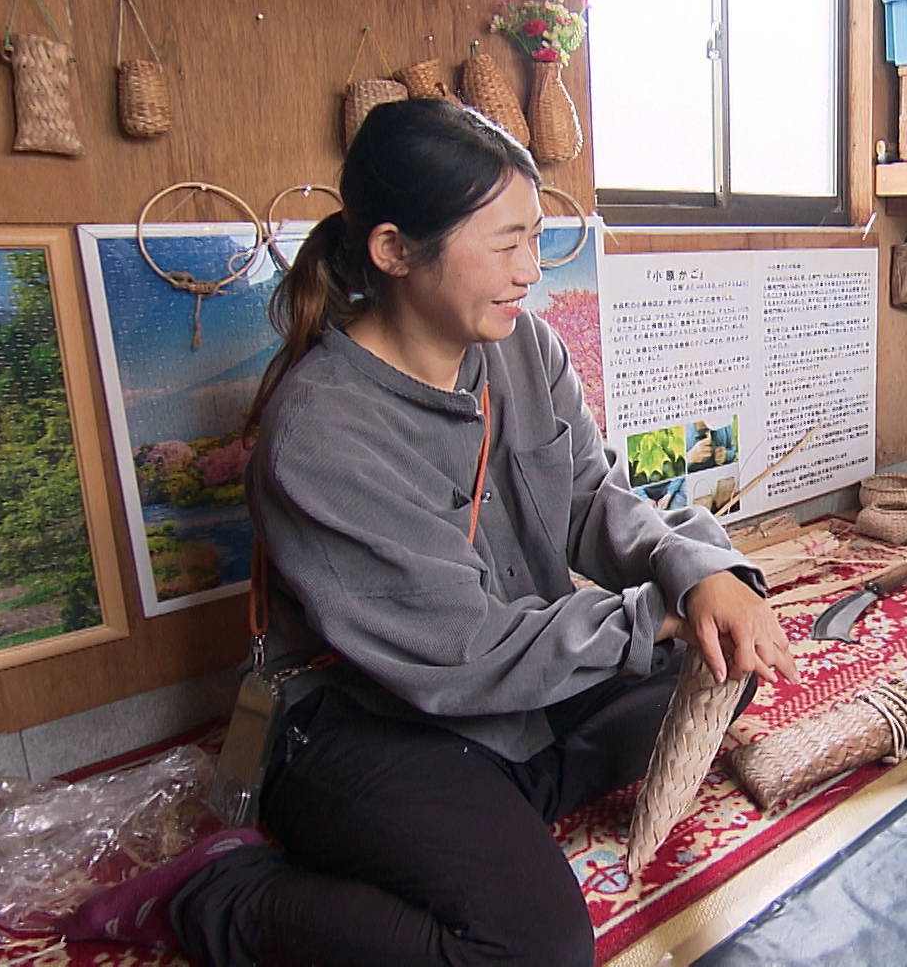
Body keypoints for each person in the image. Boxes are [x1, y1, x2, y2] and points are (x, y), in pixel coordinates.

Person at [64, 99, 798, 966]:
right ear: (392, 249)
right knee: (533, 947)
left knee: (722, 657)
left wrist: (698, 572)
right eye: (504, 242)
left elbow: (594, 500)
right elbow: (463, 651)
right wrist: (653, 616)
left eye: (535, 237)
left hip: (507, 689)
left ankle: (491, 799)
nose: (530, 268)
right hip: (372, 720)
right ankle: (222, 894)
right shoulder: (320, 436)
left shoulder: (524, 348)